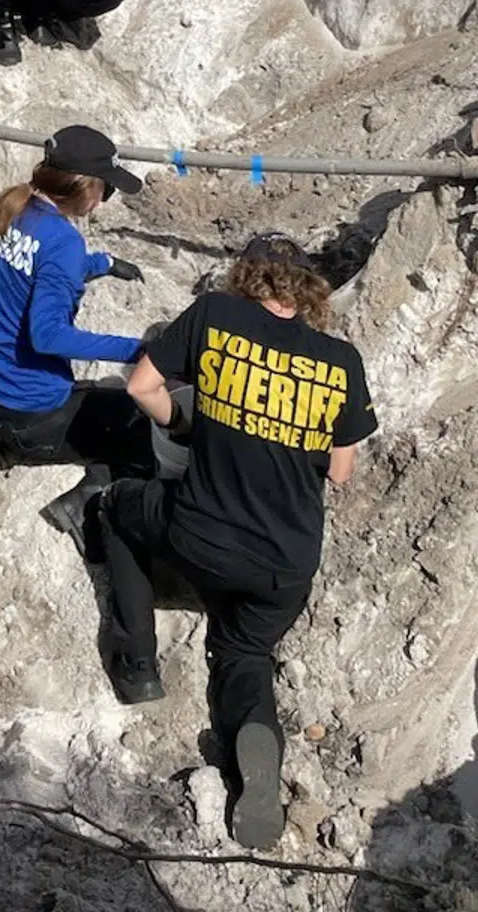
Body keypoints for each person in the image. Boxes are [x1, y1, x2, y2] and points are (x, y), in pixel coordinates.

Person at [101, 235, 378, 850]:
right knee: (244, 655)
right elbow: (340, 471)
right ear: (304, 288)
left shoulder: (214, 315)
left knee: (116, 509)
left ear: (245, 277)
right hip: (284, 564)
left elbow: (141, 390)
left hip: (197, 533)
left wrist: (191, 425)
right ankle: (254, 734)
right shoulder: (341, 360)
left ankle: (138, 664)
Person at [0, 126, 149, 496]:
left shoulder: (17, 211)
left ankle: (8, 443)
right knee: (141, 423)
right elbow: (48, 336)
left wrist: (103, 263)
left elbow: (38, 267)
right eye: (105, 188)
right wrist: (136, 350)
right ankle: (82, 505)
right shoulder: (64, 242)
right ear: (85, 187)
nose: (104, 199)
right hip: (25, 410)